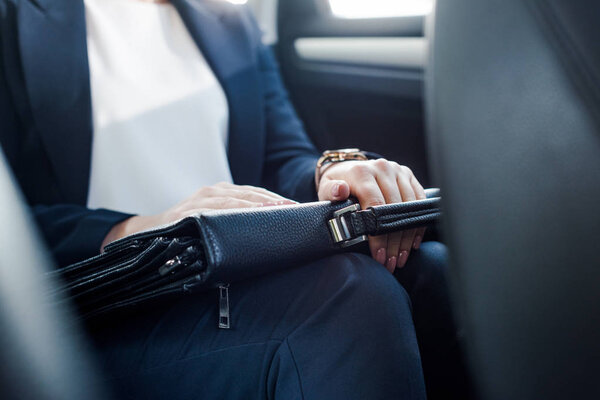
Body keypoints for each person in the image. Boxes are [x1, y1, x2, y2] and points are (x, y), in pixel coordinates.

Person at [0, 0, 469, 398]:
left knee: (431, 268)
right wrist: (146, 227)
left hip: (236, 279)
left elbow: (281, 160)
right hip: (98, 316)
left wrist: (336, 171)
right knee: (354, 299)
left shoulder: (227, 17)